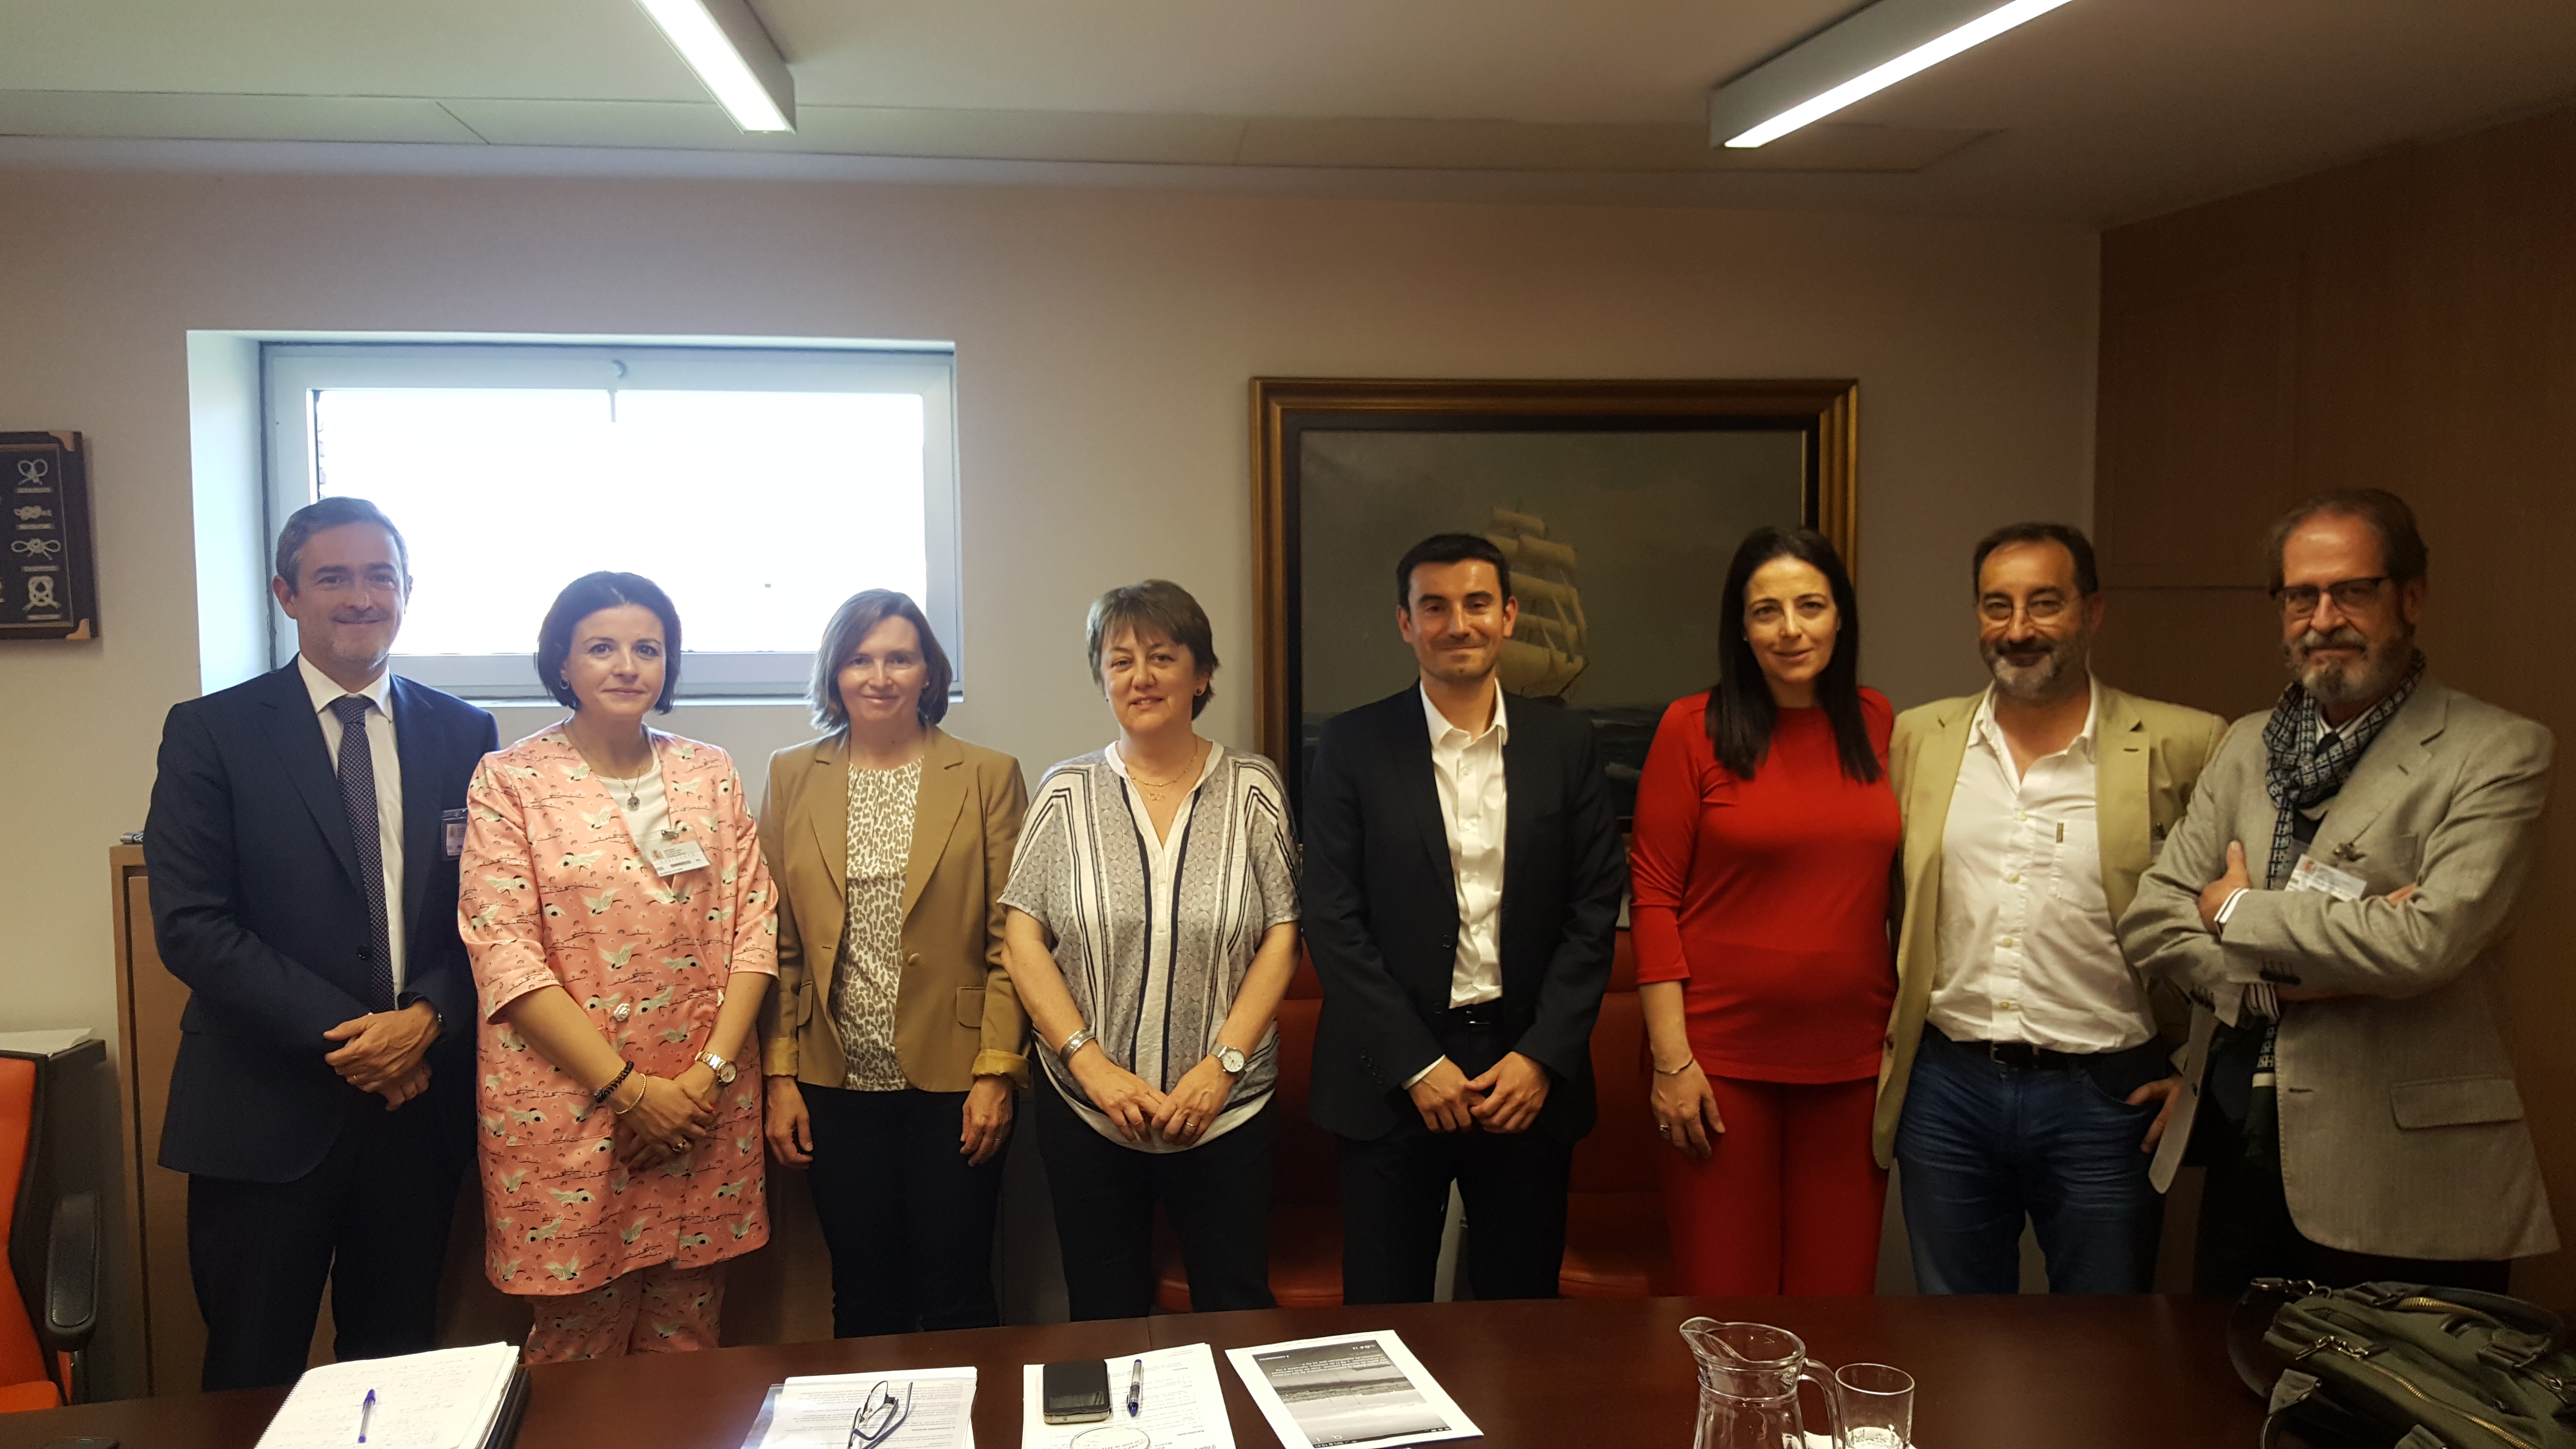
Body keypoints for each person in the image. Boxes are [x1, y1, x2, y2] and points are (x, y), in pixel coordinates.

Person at [2122, 489, 2556, 1293]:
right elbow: (2152, 918)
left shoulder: (2499, 751)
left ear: (2411, 597)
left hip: (2407, 1181)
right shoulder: (2248, 745)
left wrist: (2234, 911)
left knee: (2397, 1383)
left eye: (2352, 591)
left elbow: (2424, 945)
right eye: (2301, 596)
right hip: (2245, 1154)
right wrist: (2277, 982)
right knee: (2222, 1374)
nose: (2324, 619)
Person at [143, 497, 497, 1390]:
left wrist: (427, 1016)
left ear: (408, 591)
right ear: (286, 594)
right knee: (250, 1375)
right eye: (332, 577)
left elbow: (490, 914)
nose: (360, 597)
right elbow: (192, 924)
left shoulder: (466, 732)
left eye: (380, 576)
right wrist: (363, 1040)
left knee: (397, 1374)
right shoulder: (212, 731)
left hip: (416, 1114)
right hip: (264, 1112)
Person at [1878, 523, 2224, 1294]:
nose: (2019, 629)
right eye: (1997, 606)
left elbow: (2231, 920)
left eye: (2044, 603)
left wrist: (2199, 1072)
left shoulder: (2186, 744)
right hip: (1949, 1091)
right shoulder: (1917, 739)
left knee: (2103, 1340)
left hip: (2107, 1098)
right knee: (1955, 1335)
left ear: (2092, 611)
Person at [457, 572, 777, 1361]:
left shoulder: (709, 772)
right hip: (569, 1107)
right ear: (562, 662)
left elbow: (755, 928)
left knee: (688, 1343)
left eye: (648, 648)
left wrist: (701, 1083)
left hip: (703, 1106)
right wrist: (632, 1095)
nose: (627, 666)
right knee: (575, 1351)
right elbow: (506, 955)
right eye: (601, 647)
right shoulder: (510, 781)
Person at [1304, 533, 1625, 1304]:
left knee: (1520, 1318)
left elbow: (1593, 910)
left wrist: (1541, 1057)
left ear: (1508, 615)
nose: (1458, 625)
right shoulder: (1352, 744)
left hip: (1526, 1073)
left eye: (1477, 604)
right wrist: (1416, 1064)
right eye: (1435, 607)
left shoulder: (1566, 744)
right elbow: (1333, 918)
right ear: (1405, 623)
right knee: (1386, 1319)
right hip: (1390, 1076)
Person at [999, 580, 1300, 1319]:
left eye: (1162, 657)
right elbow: (1022, 936)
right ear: (1101, 677)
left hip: (1225, 1111)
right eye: (1120, 660)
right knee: (1104, 1315)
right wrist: (1091, 1066)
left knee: (1235, 1307)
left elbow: (1283, 933)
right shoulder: (1065, 793)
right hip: (1090, 1113)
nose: (1141, 677)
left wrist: (1222, 1066)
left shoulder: (1254, 788)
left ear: (1201, 675)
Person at [1627, 526, 1898, 1295]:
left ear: (1840, 617)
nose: (1790, 630)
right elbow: (1652, 898)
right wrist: (1672, 1061)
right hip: (1717, 1067)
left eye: (1810, 606)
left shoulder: (1880, 722)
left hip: (1853, 1066)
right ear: (1741, 628)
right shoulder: (1692, 727)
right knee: (1731, 1315)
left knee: (1837, 1307)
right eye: (1766, 611)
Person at [757, 590, 1030, 1336]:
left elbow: (1010, 939)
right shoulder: (790, 775)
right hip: (833, 1080)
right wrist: (779, 1076)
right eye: (860, 659)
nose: (879, 677)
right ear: (835, 674)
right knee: (863, 1297)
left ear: (928, 672)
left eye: (899, 659)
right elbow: (778, 941)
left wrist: (997, 1072)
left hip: (957, 1081)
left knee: (958, 1293)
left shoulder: (987, 775)